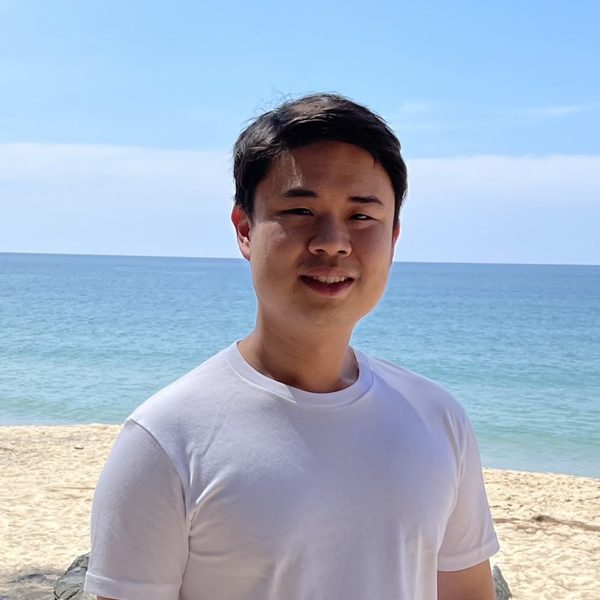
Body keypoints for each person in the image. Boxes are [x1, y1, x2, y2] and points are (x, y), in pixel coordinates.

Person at [85, 93, 499, 600]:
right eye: (300, 210)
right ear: (245, 230)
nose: (333, 241)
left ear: (393, 237)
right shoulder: (166, 439)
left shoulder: (438, 418)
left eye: (362, 216)